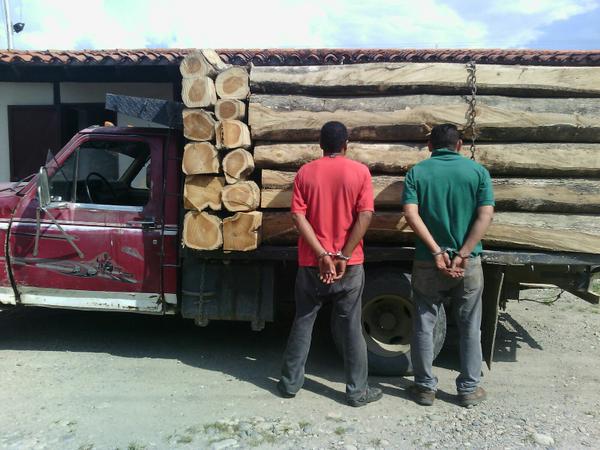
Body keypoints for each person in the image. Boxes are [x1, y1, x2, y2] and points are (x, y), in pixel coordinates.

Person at [277, 121, 383, 407]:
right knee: (351, 328)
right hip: (349, 265)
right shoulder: (360, 172)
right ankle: (357, 392)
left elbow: (298, 217)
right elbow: (365, 216)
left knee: (303, 321)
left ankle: (289, 384)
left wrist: (323, 255)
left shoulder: (305, 173)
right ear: (345, 144)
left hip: (312, 263)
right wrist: (343, 256)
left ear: (320, 145)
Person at [402, 123, 495, 408]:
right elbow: (485, 214)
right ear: (460, 144)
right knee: (469, 325)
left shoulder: (417, 173)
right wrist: (464, 253)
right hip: (468, 263)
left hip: (428, 261)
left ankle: (424, 388)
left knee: (424, 323)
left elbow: (410, 214)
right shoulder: (478, 172)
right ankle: (468, 389)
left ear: (430, 146)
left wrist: (436, 251)